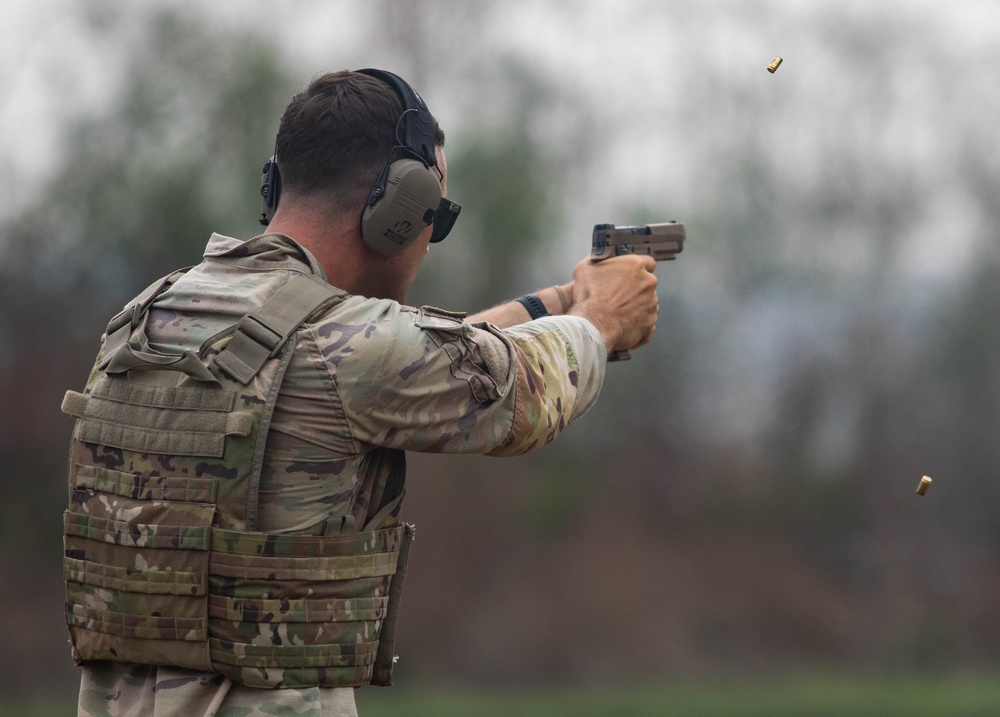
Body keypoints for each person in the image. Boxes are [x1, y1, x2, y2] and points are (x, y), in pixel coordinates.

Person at [63, 68, 659, 717]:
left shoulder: (150, 314)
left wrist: (559, 302)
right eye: (436, 215)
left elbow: (396, 355)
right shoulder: (346, 347)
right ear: (399, 209)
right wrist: (602, 321)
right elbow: (518, 395)